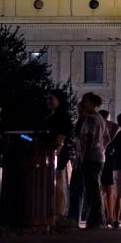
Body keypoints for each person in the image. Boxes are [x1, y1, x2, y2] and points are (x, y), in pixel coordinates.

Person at [77, 92, 109, 229]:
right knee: (96, 188)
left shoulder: (90, 119)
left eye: (86, 101)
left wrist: (85, 154)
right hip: (99, 156)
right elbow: (107, 137)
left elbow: (89, 137)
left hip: (91, 157)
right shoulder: (101, 118)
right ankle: (98, 219)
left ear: (91, 103)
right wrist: (101, 148)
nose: (84, 104)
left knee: (92, 189)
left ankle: (96, 220)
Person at [41, 89, 73, 219]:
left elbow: (60, 138)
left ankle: (59, 213)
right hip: (53, 153)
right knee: (55, 183)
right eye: (47, 98)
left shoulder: (62, 116)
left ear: (59, 100)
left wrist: (54, 154)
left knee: (57, 183)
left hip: (56, 154)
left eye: (51, 98)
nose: (48, 101)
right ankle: (56, 212)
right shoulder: (53, 115)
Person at [98, 109, 120, 228]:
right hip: (108, 159)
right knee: (110, 191)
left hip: (98, 159)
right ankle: (110, 216)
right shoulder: (109, 127)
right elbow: (116, 126)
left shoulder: (97, 127)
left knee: (101, 190)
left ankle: (102, 215)